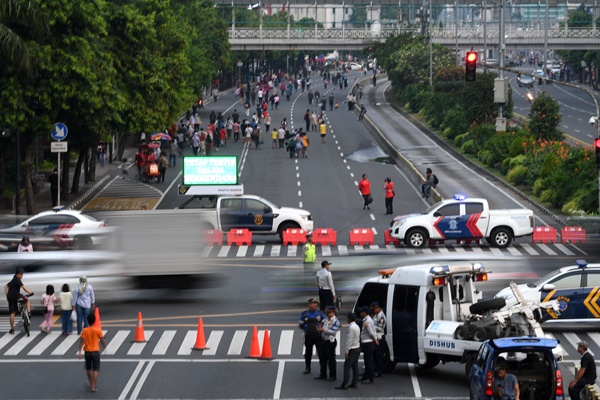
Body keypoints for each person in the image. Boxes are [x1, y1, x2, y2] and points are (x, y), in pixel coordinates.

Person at [78, 313, 106, 393]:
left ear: (87, 321)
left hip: (87, 351)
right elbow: (101, 339)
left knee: (89, 368)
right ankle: (93, 386)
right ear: (94, 321)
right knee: (96, 369)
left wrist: (80, 351)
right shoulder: (98, 330)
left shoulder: (85, 330)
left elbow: (82, 341)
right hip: (95, 351)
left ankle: (91, 383)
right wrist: (104, 347)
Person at [298, 298, 327, 377]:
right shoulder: (304, 314)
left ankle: (323, 370)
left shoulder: (320, 313)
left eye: (316, 303)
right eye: (313, 303)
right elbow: (300, 323)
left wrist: (320, 328)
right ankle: (307, 367)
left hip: (318, 336)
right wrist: (306, 328)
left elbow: (325, 322)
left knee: (321, 353)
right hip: (308, 336)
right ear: (309, 304)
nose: (315, 305)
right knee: (308, 352)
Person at [335, 312, 361, 390]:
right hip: (357, 347)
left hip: (352, 349)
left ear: (349, 319)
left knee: (347, 366)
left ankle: (345, 383)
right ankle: (354, 382)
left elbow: (349, 340)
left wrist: (347, 350)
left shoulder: (351, 327)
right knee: (355, 366)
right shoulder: (356, 326)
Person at [4, 267, 33, 334]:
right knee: (27, 300)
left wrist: (7, 294)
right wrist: (30, 292)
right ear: (18, 274)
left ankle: (12, 329)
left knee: (12, 313)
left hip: (10, 297)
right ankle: (28, 313)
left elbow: (6, 286)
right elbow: (24, 288)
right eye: (21, 274)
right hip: (17, 296)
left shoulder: (13, 279)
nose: (22, 276)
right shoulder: (17, 279)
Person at [317, 305, 340, 381]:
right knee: (322, 358)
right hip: (324, 340)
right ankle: (323, 373)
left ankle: (333, 375)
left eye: (328, 312)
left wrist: (324, 330)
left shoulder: (335, 321)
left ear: (332, 312)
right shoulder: (326, 319)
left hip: (330, 341)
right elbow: (321, 323)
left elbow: (334, 332)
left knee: (331, 359)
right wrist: (319, 327)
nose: (326, 314)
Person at [359, 306, 378, 384]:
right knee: (367, 361)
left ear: (365, 313)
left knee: (369, 361)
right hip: (367, 342)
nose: (360, 313)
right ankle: (366, 376)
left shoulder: (367, 321)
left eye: (361, 312)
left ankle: (370, 378)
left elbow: (371, 332)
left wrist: (375, 339)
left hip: (368, 342)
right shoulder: (367, 319)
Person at [371, 302, 387, 377]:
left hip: (380, 337)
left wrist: (372, 327)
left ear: (378, 308)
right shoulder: (376, 315)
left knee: (379, 355)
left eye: (374, 309)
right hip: (375, 337)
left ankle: (379, 371)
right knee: (375, 355)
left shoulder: (382, 316)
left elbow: (380, 328)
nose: (373, 311)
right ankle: (374, 369)